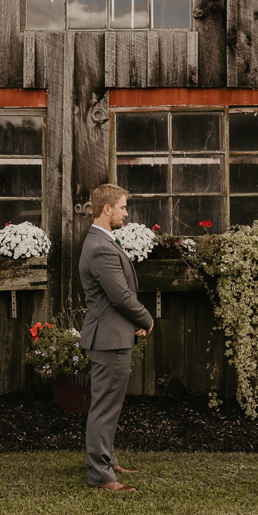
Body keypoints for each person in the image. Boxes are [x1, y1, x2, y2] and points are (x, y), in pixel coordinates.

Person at [79, 184, 154, 493]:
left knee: (109, 404)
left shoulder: (104, 241)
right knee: (105, 405)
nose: (126, 212)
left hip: (114, 334)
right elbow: (120, 296)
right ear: (106, 209)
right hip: (109, 338)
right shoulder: (99, 246)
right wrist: (145, 319)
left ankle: (106, 459)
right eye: (122, 207)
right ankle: (99, 474)